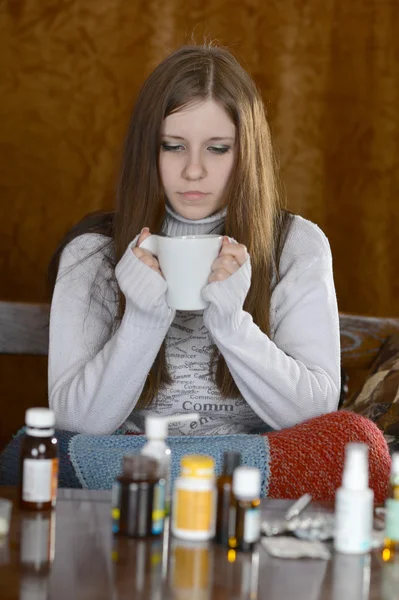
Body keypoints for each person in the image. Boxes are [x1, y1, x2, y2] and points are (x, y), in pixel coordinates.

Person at [48, 43, 340, 437]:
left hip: (250, 482)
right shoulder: (93, 253)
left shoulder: (296, 246)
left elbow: (316, 415)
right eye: (173, 146)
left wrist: (232, 323)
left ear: (246, 153)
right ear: (147, 150)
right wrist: (143, 318)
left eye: (218, 149)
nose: (194, 170)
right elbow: (73, 422)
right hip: (131, 474)